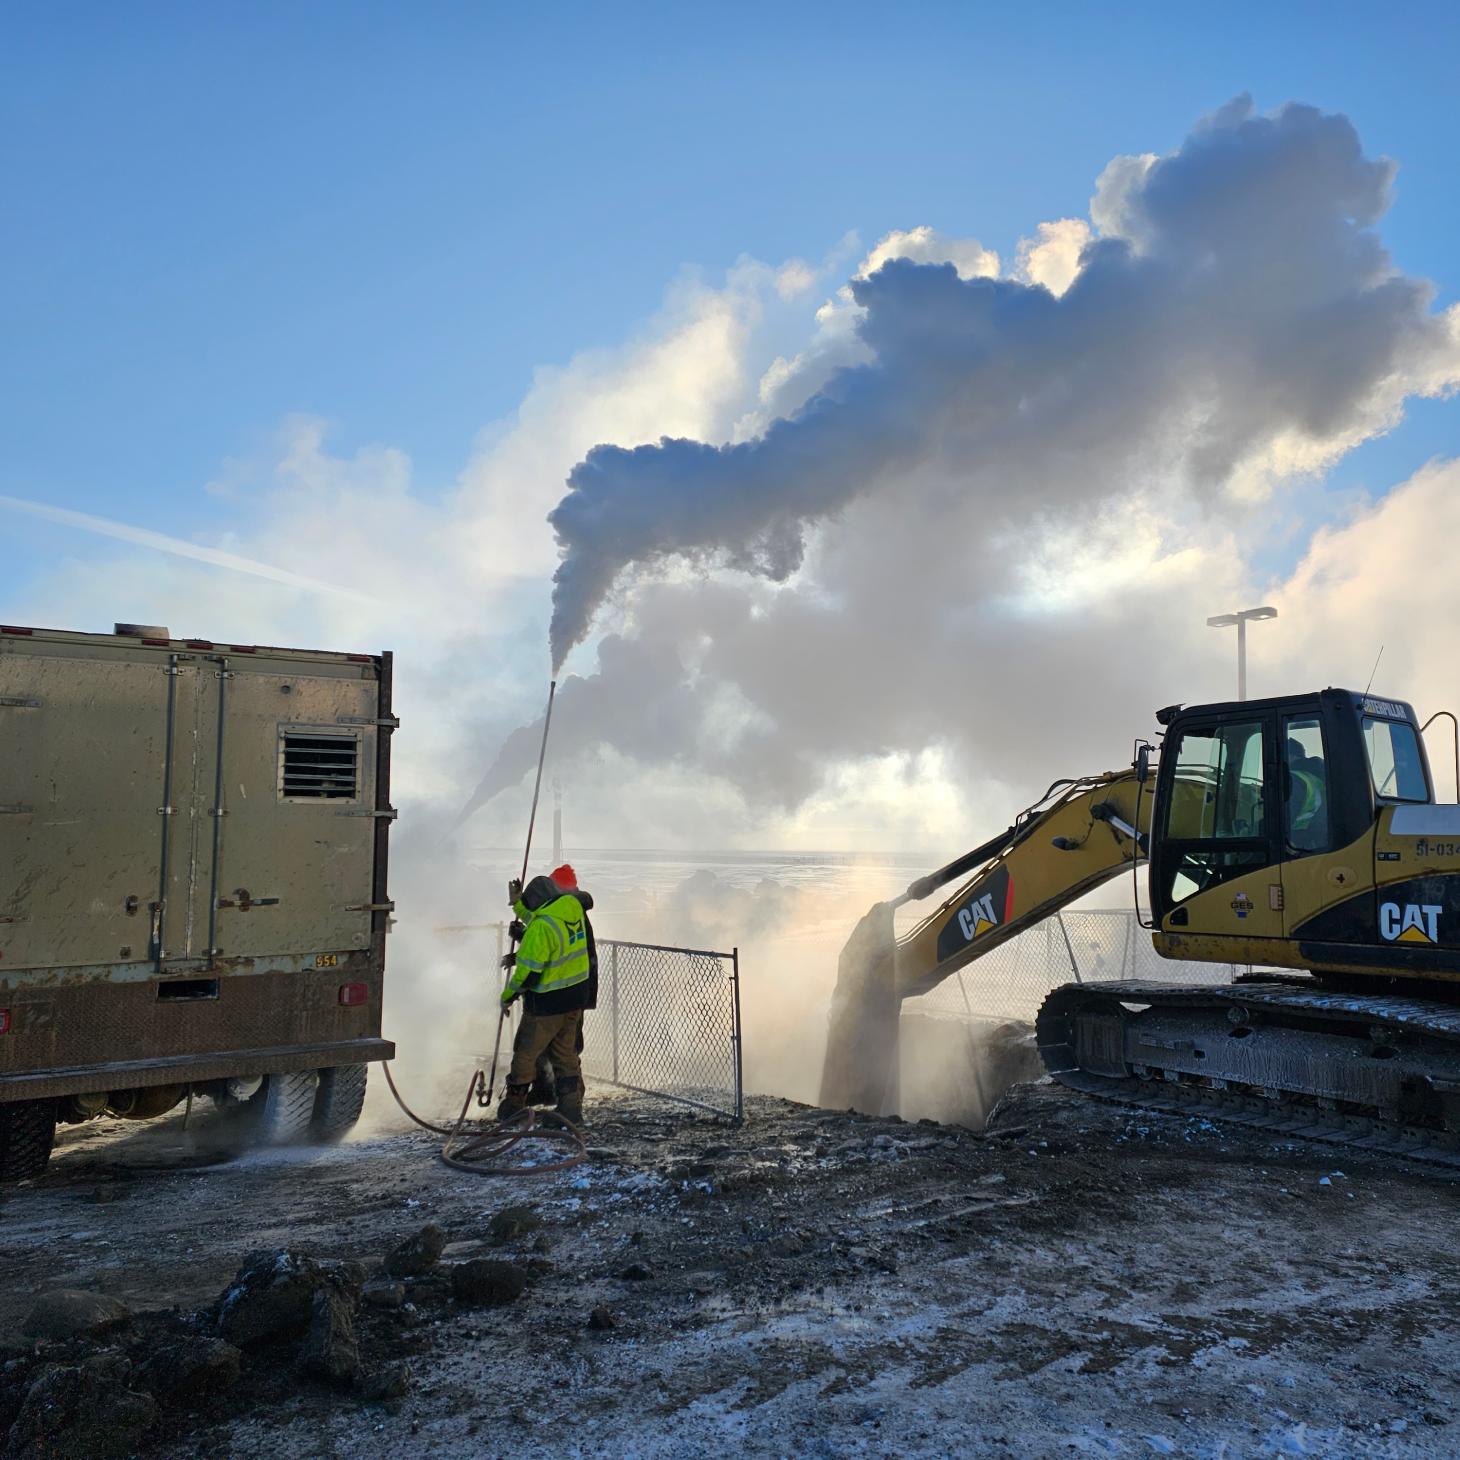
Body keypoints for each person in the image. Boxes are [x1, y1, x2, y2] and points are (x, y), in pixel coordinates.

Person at [496, 867, 592, 1125]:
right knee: (565, 1055)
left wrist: (507, 997)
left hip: (547, 1004)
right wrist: (518, 906)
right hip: (574, 999)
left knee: (526, 1053)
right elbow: (540, 917)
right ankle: (571, 1110)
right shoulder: (569, 909)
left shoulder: (539, 928)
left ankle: (514, 1106)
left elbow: (528, 974)